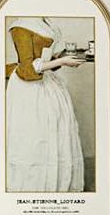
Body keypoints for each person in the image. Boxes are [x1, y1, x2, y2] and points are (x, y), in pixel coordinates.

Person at [5, 17, 85, 192]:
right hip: (29, 89)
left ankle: (55, 186)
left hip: (49, 84)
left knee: (57, 134)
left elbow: (47, 63)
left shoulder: (47, 23)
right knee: (34, 136)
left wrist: (65, 57)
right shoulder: (21, 26)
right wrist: (63, 61)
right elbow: (27, 69)